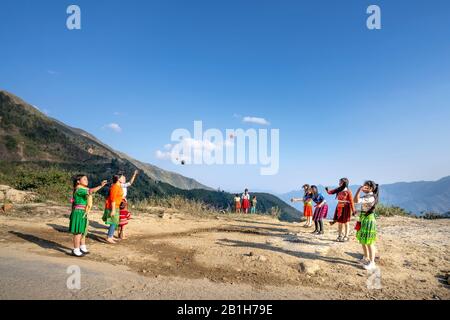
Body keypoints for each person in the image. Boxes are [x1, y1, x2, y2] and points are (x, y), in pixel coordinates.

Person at [69, 175, 107, 257]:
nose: (87, 180)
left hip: (82, 212)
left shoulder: (81, 189)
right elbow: (90, 191)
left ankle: (82, 247)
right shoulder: (79, 189)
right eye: (84, 179)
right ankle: (76, 249)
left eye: (87, 179)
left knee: (83, 230)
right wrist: (100, 185)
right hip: (79, 212)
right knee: (78, 232)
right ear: (78, 181)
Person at [354, 180, 379, 271]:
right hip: (363, 219)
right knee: (363, 241)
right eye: (364, 186)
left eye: (366, 186)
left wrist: (358, 190)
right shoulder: (366, 196)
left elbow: (356, 201)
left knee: (369, 242)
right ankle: (366, 258)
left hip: (368, 221)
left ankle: (372, 263)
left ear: (371, 188)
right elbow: (356, 202)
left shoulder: (371, 197)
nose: (364, 187)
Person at [326, 178, 355, 242]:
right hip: (339, 207)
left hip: (346, 208)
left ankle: (346, 236)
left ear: (344, 183)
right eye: (339, 182)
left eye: (340, 182)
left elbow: (351, 201)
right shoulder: (339, 190)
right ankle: (339, 235)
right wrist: (327, 190)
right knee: (339, 222)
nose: (339, 183)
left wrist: (353, 210)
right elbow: (331, 192)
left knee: (346, 222)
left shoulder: (348, 191)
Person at [117, 170, 139, 240]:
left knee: (120, 216)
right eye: (123, 178)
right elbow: (130, 183)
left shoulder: (117, 185)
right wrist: (134, 174)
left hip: (120, 202)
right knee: (123, 216)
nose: (125, 179)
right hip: (122, 202)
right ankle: (122, 233)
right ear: (119, 179)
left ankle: (119, 232)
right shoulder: (122, 185)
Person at [102, 175, 124, 244]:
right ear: (118, 179)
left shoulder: (118, 186)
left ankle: (110, 236)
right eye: (122, 177)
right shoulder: (115, 186)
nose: (124, 178)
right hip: (112, 206)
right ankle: (109, 237)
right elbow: (112, 199)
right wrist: (113, 209)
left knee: (114, 222)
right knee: (113, 222)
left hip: (116, 206)